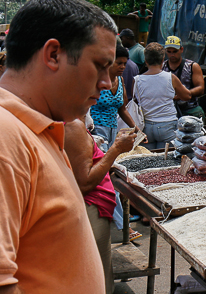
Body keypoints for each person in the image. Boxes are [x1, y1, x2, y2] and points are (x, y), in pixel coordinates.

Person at [0, 0, 114, 293]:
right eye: (100, 65)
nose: (107, 83)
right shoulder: (5, 136)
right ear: (53, 55)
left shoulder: (38, 129)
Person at [64, 118, 137, 294]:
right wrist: (117, 149)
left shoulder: (71, 123)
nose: (103, 88)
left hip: (90, 207)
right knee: (97, 277)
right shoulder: (72, 126)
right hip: (90, 208)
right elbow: (85, 183)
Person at [133, 42, 191, 149]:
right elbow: (187, 96)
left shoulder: (137, 80)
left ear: (146, 61)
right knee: (166, 160)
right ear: (162, 60)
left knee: (147, 160)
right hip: (167, 125)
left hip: (146, 126)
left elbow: (134, 101)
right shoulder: (170, 78)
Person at [90, 45, 138, 147]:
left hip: (113, 130)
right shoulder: (96, 79)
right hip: (96, 130)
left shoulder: (120, 80)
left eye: (125, 64)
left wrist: (136, 129)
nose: (123, 67)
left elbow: (122, 110)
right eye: (119, 63)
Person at [162, 36, 205, 119]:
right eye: (169, 52)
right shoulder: (162, 67)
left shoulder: (192, 66)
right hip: (168, 109)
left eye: (175, 51)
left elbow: (200, 88)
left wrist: (184, 94)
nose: (172, 54)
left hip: (190, 108)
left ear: (181, 49)